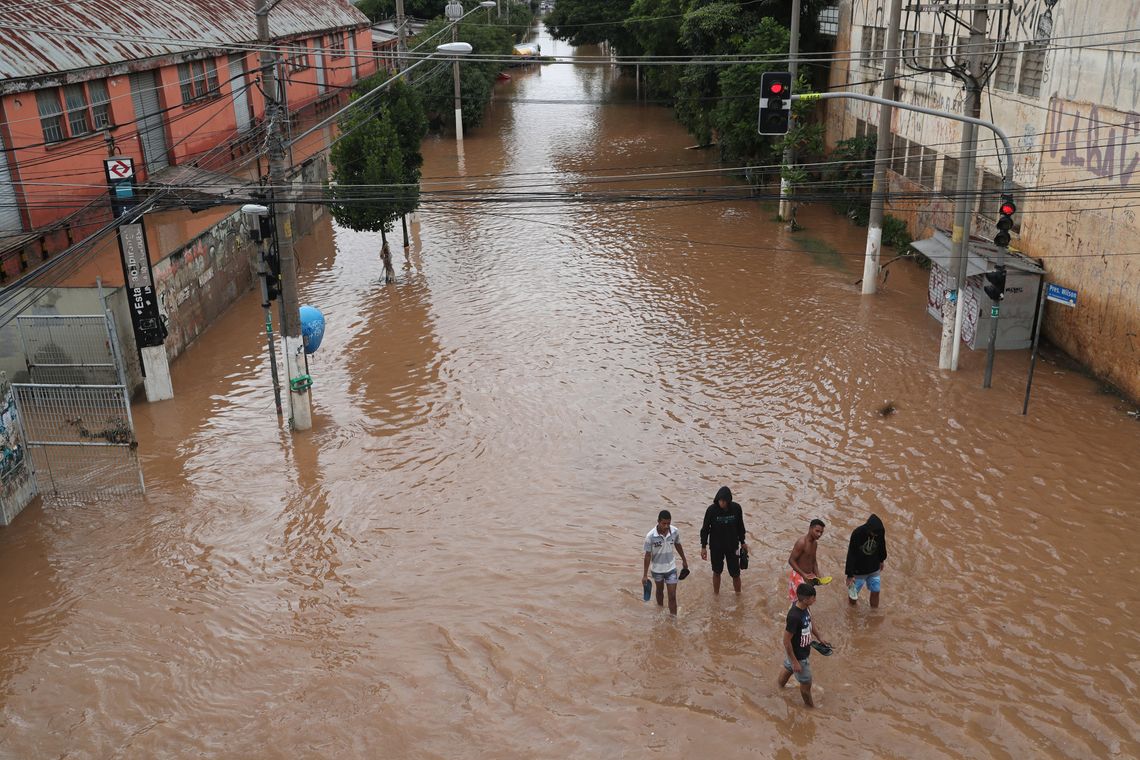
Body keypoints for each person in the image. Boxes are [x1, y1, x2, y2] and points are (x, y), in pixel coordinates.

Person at [778, 582, 830, 707]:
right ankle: (810, 708)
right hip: (798, 655)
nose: (815, 600)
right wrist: (795, 661)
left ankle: (778, 688)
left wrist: (819, 637)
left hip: (800, 650)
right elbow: (786, 641)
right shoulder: (794, 617)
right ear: (806, 599)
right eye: (813, 597)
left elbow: (810, 621)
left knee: (789, 667)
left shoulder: (805, 607)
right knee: (806, 683)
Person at [699, 486, 747, 594]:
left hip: (733, 547)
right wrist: (703, 547)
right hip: (716, 548)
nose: (722, 503)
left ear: (729, 501)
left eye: (724, 501)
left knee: (736, 574)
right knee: (716, 572)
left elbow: (740, 526)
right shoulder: (711, 510)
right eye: (720, 500)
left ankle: (738, 594)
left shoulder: (736, 508)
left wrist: (743, 542)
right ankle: (716, 594)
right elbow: (705, 529)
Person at [642, 510, 689, 615]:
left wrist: (684, 560)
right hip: (657, 570)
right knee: (659, 591)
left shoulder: (675, 531)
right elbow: (647, 555)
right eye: (664, 523)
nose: (667, 526)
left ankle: (673, 620)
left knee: (672, 596)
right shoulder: (650, 536)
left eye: (669, 523)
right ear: (658, 522)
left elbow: (678, 545)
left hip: (671, 568)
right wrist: (645, 575)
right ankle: (660, 611)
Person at [845, 513, 887, 607]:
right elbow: (851, 554)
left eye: (877, 534)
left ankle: (874, 612)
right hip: (858, 571)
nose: (875, 535)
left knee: (876, 591)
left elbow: (882, 545)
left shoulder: (880, 532)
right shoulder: (857, 533)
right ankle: (852, 613)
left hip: (874, 567)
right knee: (853, 595)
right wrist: (850, 574)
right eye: (873, 533)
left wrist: (882, 560)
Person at [788, 519, 826, 601]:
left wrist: (818, 575)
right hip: (799, 575)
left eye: (821, 532)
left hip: (809, 577)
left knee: (808, 600)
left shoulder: (815, 543)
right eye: (817, 531)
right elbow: (791, 560)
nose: (819, 534)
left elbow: (814, 561)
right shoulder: (802, 543)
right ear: (810, 528)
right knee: (799, 602)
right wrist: (803, 574)